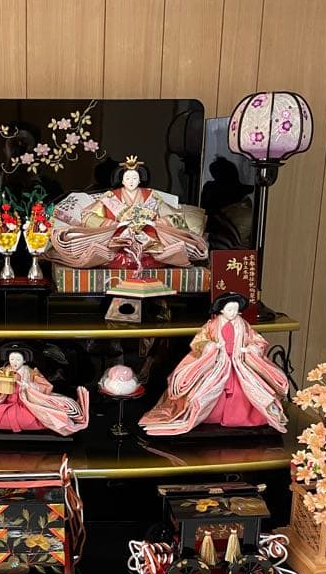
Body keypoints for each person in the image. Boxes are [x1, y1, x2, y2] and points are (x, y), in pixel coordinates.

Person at [139, 292, 289, 435]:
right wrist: (211, 346)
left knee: (246, 390)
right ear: (222, 310)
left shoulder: (244, 325)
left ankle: (243, 417)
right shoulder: (212, 325)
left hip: (239, 363)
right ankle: (208, 415)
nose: (233, 313)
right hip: (217, 362)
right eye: (229, 310)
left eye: (235, 310)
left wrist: (249, 349)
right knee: (208, 389)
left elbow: (258, 341)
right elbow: (199, 342)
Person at [49, 155, 208, 269]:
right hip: (117, 241)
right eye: (128, 178)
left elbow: (174, 216)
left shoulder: (151, 195)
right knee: (109, 256)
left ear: (140, 179)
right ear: (122, 180)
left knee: (157, 256)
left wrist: (154, 223)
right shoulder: (111, 196)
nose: (131, 182)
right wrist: (115, 225)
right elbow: (87, 215)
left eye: (134, 178)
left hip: (148, 242)